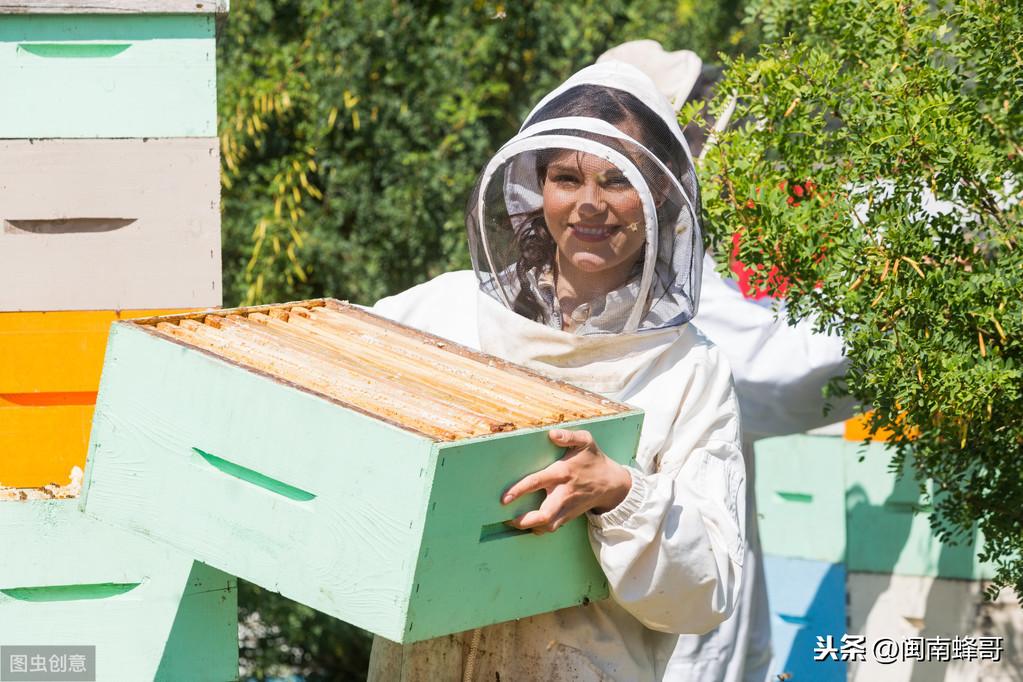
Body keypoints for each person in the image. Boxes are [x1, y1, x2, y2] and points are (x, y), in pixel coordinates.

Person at [366, 61, 747, 681]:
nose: (589, 204)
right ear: (535, 188)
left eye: (617, 181)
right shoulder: (440, 312)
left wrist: (622, 494)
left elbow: (706, 592)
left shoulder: (688, 371)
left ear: (657, 197)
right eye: (566, 178)